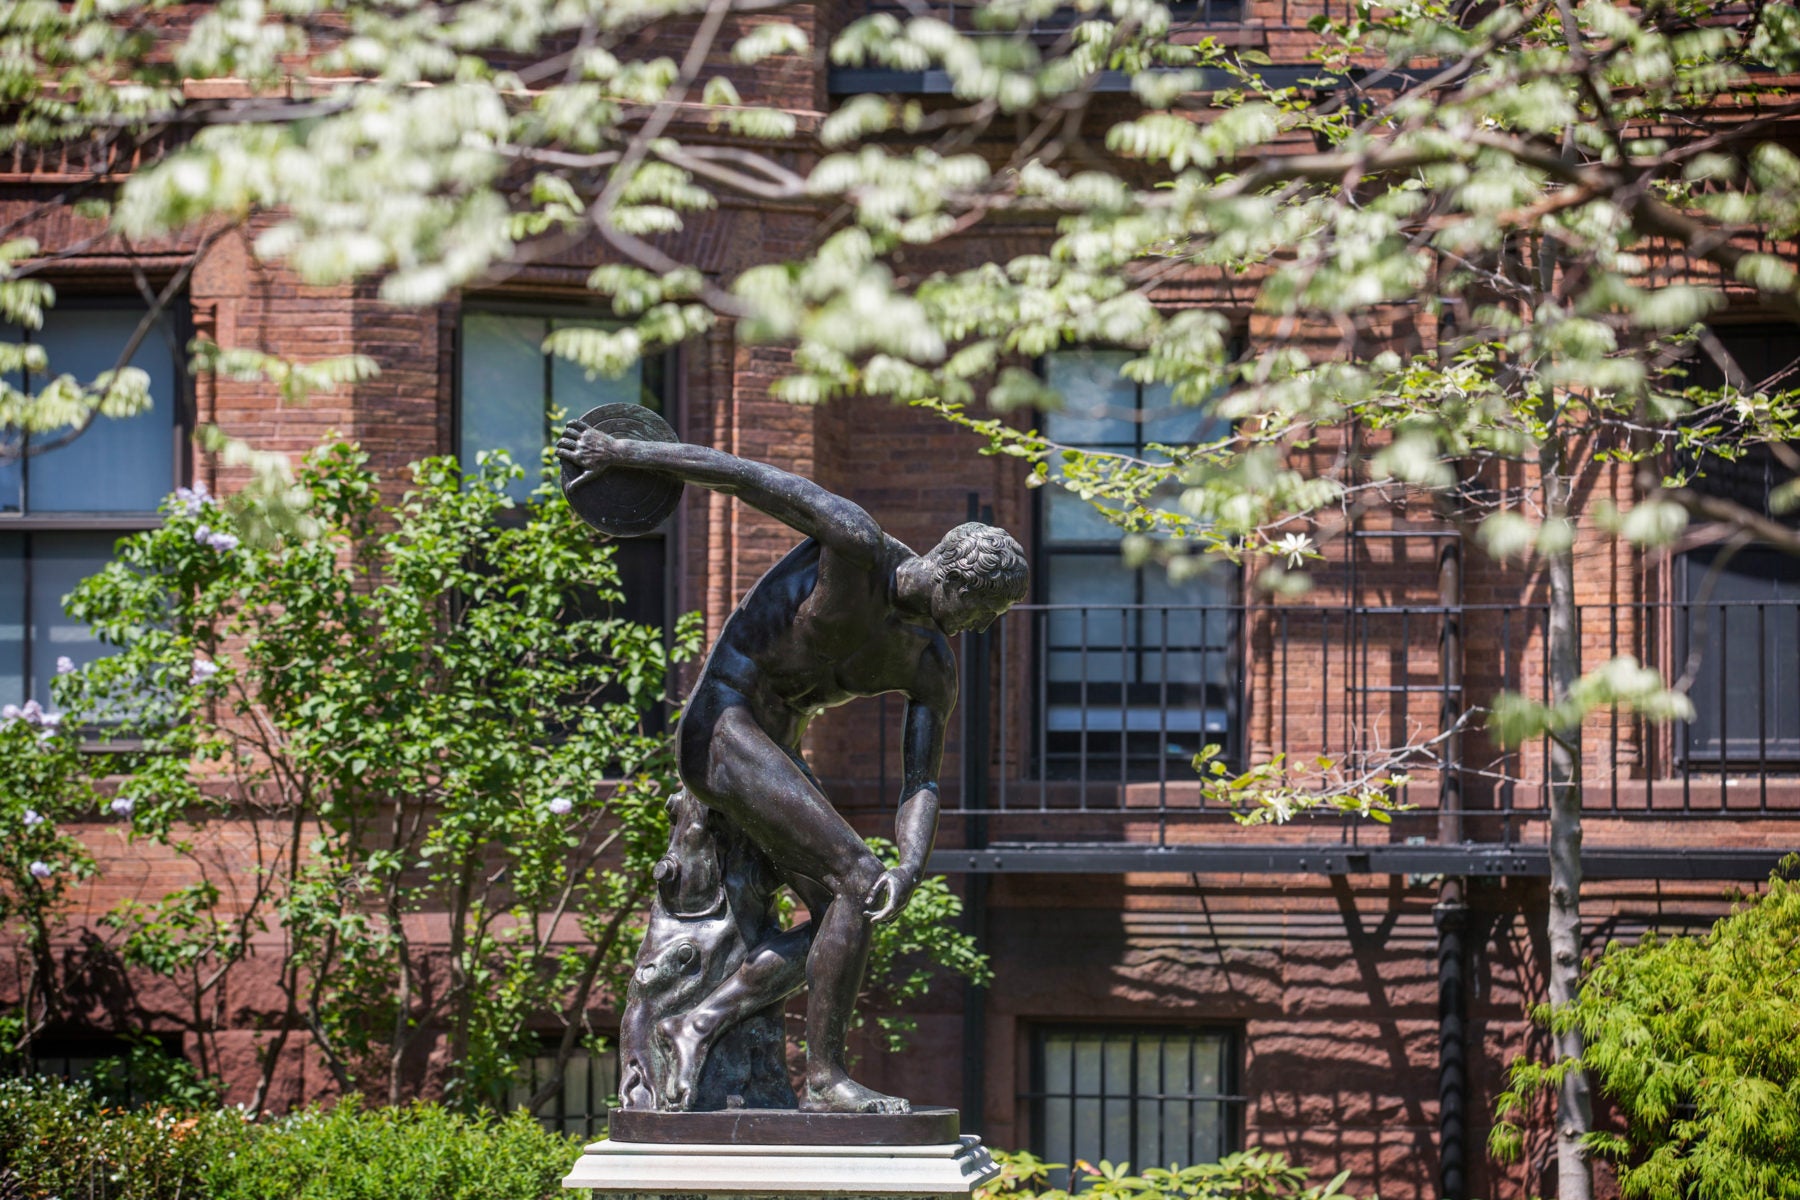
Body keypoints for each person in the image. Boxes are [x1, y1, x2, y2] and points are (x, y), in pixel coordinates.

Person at [558, 418, 1028, 1114]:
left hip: (776, 750)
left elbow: (920, 780)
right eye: (986, 609)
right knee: (854, 874)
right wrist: (625, 452)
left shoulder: (930, 663)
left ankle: (702, 1021)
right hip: (722, 725)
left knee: (862, 897)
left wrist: (911, 863)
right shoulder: (857, 545)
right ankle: (825, 1078)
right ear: (955, 578)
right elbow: (749, 477)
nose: (985, 627)